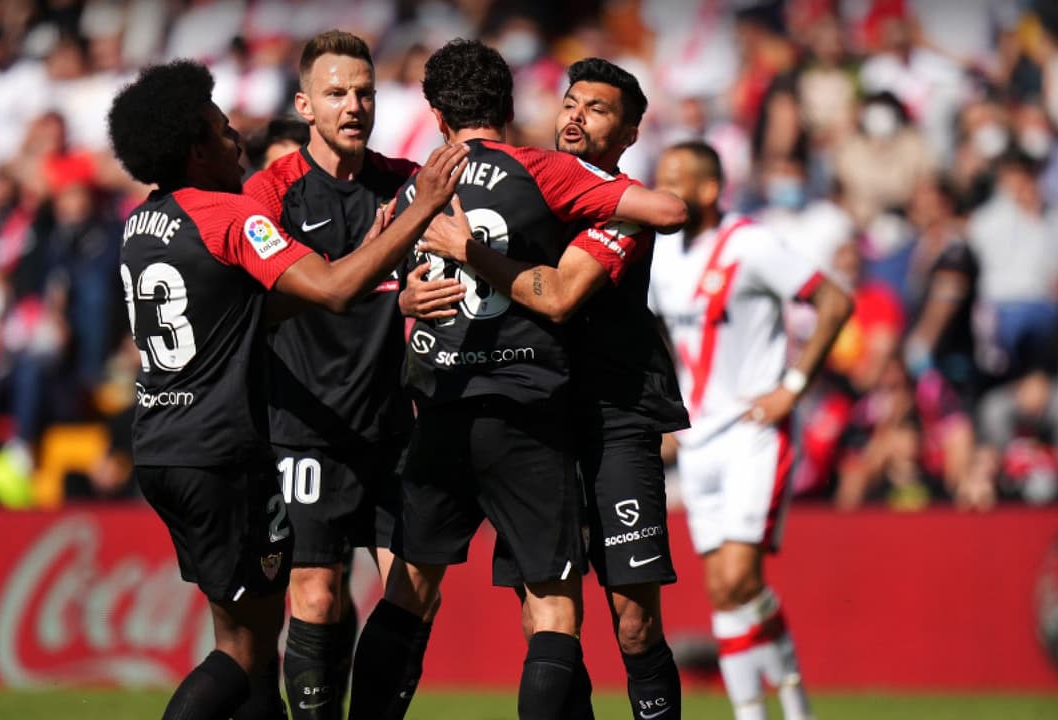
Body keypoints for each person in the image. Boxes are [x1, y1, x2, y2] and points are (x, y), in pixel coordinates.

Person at [107, 59, 466, 720]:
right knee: (244, 657)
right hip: (221, 453)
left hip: (159, 444)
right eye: (220, 132)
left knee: (250, 644)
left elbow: (251, 313)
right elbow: (330, 289)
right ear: (193, 150)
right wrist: (420, 213)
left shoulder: (139, 225)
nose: (234, 141)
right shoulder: (233, 218)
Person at [347, 39, 687, 720]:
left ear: (628, 132)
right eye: (569, 103)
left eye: (597, 110)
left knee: (629, 620)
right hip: (533, 412)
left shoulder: (596, 203)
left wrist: (453, 257)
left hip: (612, 418)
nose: (576, 117)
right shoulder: (537, 178)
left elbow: (562, 294)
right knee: (546, 612)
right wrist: (408, 296)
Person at [241, 30, 424, 720]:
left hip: (391, 427)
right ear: (305, 105)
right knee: (315, 593)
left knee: (415, 589)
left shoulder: (408, 185)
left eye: (365, 92)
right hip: (307, 424)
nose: (353, 105)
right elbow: (286, 295)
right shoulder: (271, 192)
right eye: (336, 93)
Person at [648, 140, 853, 720]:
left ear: (709, 190)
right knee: (723, 590)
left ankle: (775, 706)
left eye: (674, 178)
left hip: (753, 433)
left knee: (739, 576)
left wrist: (792, 386)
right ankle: (772, 705)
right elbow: (666, 340)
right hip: (696, 440)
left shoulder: (753, 244)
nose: (662, 189)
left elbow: (834, 301)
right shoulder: (663, 260)